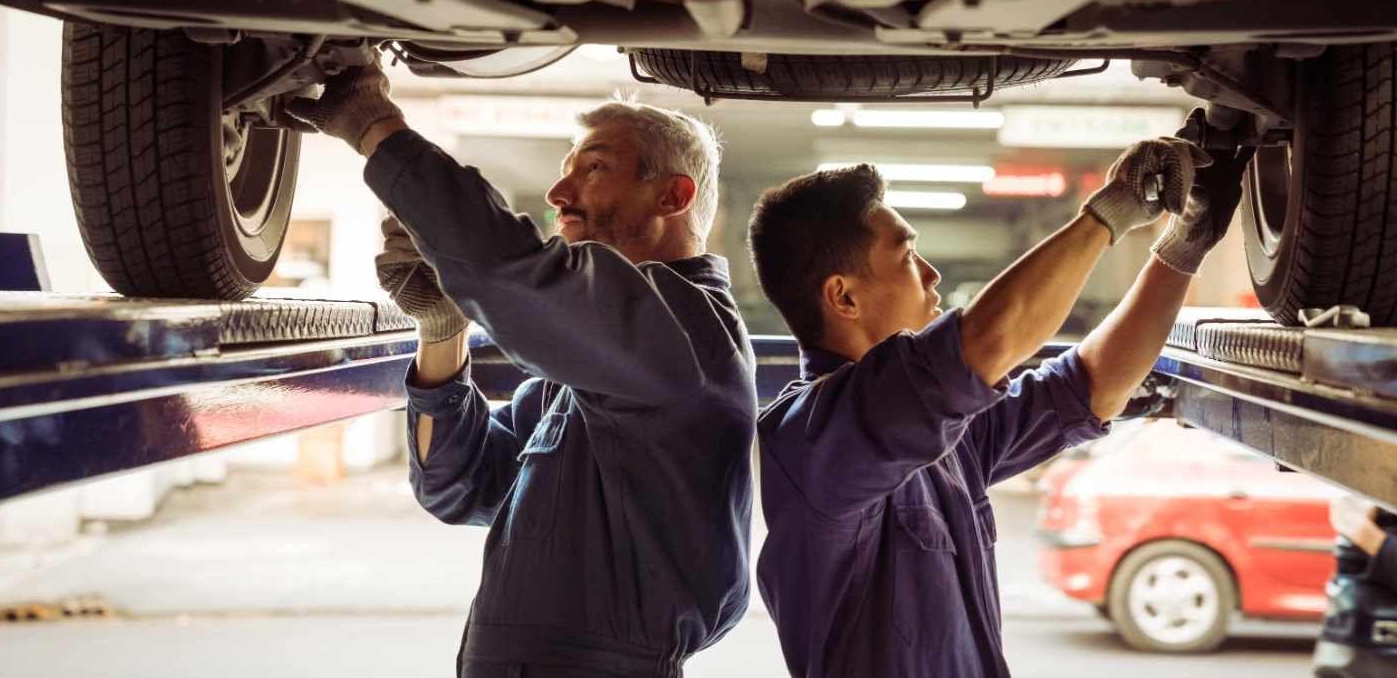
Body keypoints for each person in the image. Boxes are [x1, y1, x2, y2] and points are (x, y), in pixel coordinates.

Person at [286, 67, 758, 677]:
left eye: (593, 168)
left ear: (673, 196)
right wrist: (442, 330)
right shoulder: (594, 367)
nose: (559, 194)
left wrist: (376, 128)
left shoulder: (687, 334)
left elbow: (506, 272)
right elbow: (459, 486)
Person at [745, 137, 1250, 677]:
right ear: (844, 297)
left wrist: (1183, 245)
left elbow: (1092, 386)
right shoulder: (818, 437)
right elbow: (991, 341)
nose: (932, 274)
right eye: (907, 255)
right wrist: (1112, 209)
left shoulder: (941, 436)